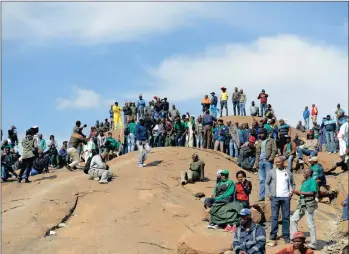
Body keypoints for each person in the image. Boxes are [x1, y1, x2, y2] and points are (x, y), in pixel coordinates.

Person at [265, 156, 295, 246]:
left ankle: (286, 235)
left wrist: (291, 192)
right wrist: (268, 194)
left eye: (278, 162)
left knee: (286, 217)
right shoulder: (271, 172)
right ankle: (273, 234)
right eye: (275, 162)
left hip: (286, 197)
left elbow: (292, 183)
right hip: (275, 197)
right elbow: (266, 183)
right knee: (274, 216)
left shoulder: (288, 172)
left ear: (283, 162)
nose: (277, 163)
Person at [290, 168, 318, 250]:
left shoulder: (312, 181)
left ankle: (313, 243)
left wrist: (300, 192)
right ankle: (295, 239)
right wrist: (297, 193)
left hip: (309, 204)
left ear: (309, 174)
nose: (303, 173)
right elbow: (303, 194)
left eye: (305, 172)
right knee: (293, 219)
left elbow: (312, 193)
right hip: (302, 204)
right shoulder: (305, 182)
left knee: (310, 224)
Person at [254, 127, 277, 201]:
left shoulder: (271, 140)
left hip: (268, 162)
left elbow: (274, 150)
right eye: (260, 133)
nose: (260, 135)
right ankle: (261, 196)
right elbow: (257, 153)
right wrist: (256, 162)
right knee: (261, 180)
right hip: (260, 162)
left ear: (265, 133)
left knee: (269, 179)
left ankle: (269, 196)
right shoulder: (259, 142)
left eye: (262, 133)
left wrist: (270, 159)